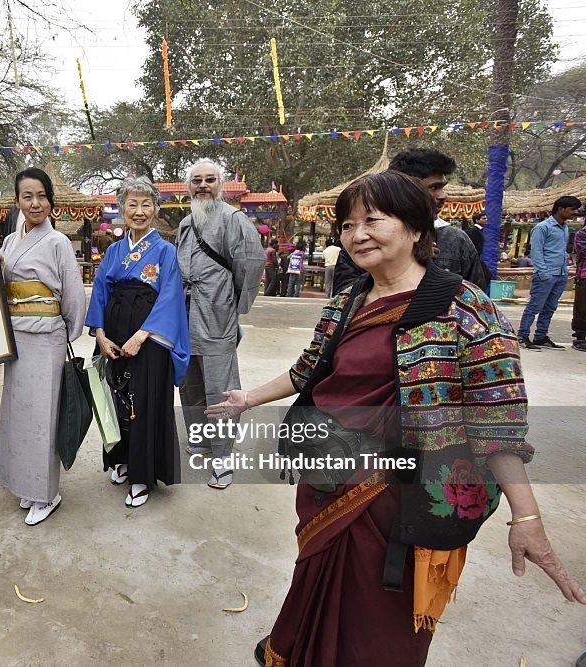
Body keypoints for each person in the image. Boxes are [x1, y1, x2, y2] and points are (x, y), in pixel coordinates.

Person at [206, 171, 585, 666]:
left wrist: (527, 517)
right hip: (330, 482)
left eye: (372, 220)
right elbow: (308, 371)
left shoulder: (466, 308)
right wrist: (248, 398)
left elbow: (499, 422)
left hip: (403, 500)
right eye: (346, 224)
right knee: (315, 576)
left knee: (380, 619)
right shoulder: (345, 302)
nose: (355, 234)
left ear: (415, 227)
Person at [86, 176, 190, 507]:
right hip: (113, 334)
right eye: (132, 204)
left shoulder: (164, 251)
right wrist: (100, 334)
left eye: (147, 204)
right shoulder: (115, 250)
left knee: (142, 404)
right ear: (121, 209)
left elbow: (171, 296)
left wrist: (142, 335)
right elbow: (100, 290)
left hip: (149, 336)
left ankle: (142, 476)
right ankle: (122, 459)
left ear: (156, 210)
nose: (140, 211)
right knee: (115, 401)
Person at [0, 167, 86, 525]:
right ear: (17, 201)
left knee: (43, 417)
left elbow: (74, 297)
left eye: (41, 196)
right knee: (19, 414)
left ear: (51, 201)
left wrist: (66, 332)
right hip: (16, 336)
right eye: (27, 196)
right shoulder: (9, 241)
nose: (35, 203)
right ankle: (25, 484)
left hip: (46, 337)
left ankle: (46, 494)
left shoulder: (58, 242)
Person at [176, 158, 265, 488]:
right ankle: (200, 439)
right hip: (185, 317)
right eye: (196, 180)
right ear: (188, 187)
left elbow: (251, 263)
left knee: (221, 388)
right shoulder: (186, 224)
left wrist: (232, 302)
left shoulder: (233, 219)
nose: (202, 186)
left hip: (216, 314)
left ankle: (223, 457)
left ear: (221, 185)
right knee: (190, 384)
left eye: (209, 180)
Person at [332, 149, 489, 294]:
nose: (442, 196)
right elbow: (345, 297)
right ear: (403, 191)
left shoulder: (456, 240)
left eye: (372, 220)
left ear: (416, 232)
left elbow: (477, 292)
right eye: (433, 187)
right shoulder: (360, 244)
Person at [517, 196, 580, 350]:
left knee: (550, 307)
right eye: (572, 209)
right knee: (534, 306)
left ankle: (540, 337)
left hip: (560, 274)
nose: (575, 212)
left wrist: (564, 270)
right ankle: (522, 336)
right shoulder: (542, 227)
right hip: (546, 275)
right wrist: (544, 273)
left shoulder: (564, 227)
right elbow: (536, 252)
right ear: (561, 209)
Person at [572, 222, 586, 352]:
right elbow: (583, 252)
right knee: (582, 308)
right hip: (584, 276)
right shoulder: (582, 234)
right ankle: (580, 337)